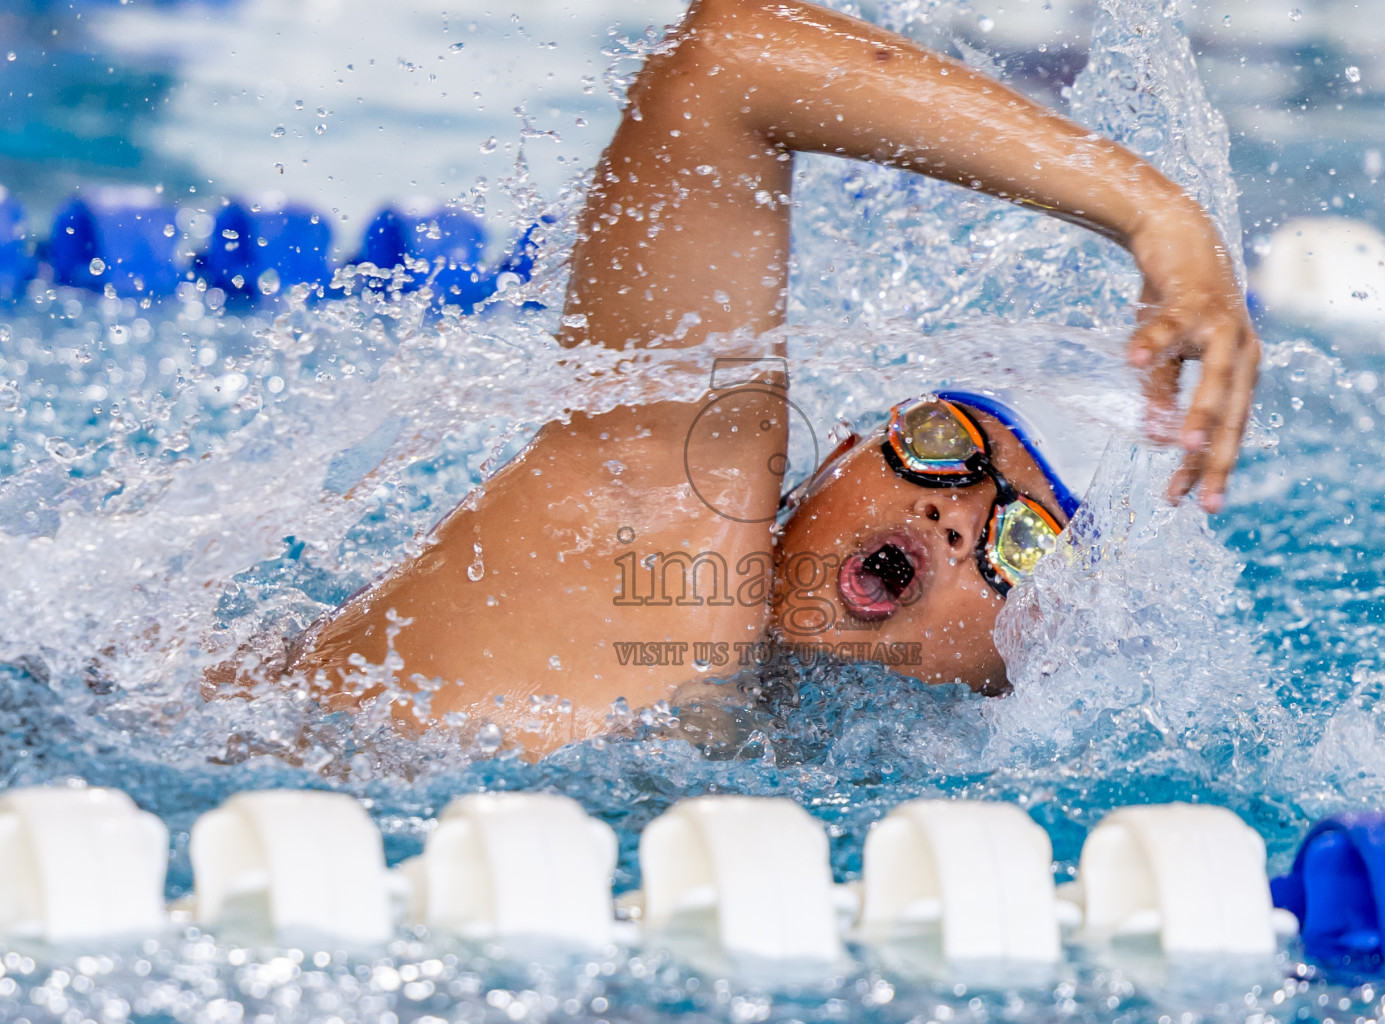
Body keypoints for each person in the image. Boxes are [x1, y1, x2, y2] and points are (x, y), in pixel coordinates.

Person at [282, 0, 1260, 755]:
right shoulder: (657, 530)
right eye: (944, 445)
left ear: (1020, 664)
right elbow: (725, 64)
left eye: (1021, 538)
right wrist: (1152, 212)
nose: (955, 515)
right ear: (837, 458)